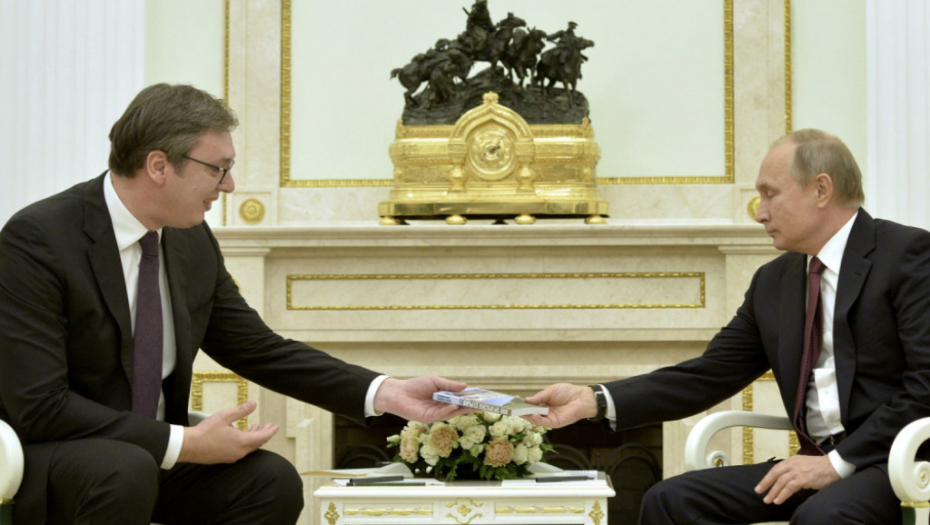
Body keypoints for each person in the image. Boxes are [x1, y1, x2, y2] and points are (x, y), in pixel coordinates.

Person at [0, 83, 470, 525]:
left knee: (271, 480)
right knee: (125, 469)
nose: (228, 186)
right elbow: (40, 406)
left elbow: (258, 349)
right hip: (56, 454)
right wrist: (185, 443)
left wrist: (386, 392)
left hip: (149, 456)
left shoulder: (189, 240)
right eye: (217, 168)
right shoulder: (38, 240)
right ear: (159, 165)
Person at [524, 129, 930, 524]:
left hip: (898, 461)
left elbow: (925, 386)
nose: (760, 212)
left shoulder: (909, 255)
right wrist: (594, 399)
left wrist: (837, 463)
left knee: (821, 516)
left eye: (771, 193)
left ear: (821, 189)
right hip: (813, 465)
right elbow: (708, 375)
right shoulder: (774, 282)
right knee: (670, 501)